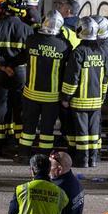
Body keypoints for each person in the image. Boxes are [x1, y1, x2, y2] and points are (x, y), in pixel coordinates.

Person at [0, 0, 32, 153]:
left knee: (0, 107)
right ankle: (18, 144)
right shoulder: (27, 29)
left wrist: (4, 65)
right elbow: (28, 53)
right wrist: (14, 65)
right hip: (19, 73)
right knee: (18, 107)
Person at [20, 11, 70, 157]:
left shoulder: (32, 40)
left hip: (31, 94)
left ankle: (23, 154)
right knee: (47, 130)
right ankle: (44, 156)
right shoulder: (64, 45)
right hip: (51, 97)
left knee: (28, 127)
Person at [61, 17, 107, 167]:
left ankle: (82, 160)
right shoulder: (101, 51)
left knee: (81, 132)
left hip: (80, 100)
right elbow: (105, 77)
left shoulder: (78, 52)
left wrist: (66, 97)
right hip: (96, 100)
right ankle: (93, 159)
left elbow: (72, 78)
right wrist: (103, 96)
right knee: (94, 131)